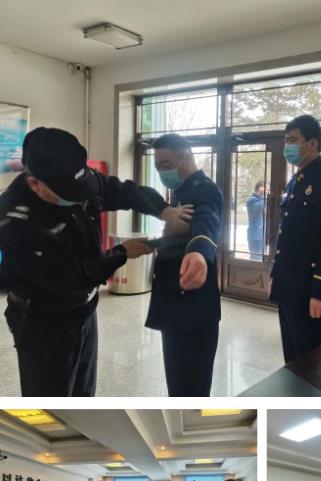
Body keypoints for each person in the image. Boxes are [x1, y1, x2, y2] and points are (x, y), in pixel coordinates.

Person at [0, 127, 189, 397]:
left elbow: (124, 191)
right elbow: (69, 279)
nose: (80, 197)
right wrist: (121, 253)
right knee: (52, 397)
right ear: (35, 184)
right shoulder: (17, 221)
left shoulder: (76, 180)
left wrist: (164, 210)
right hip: (44, 322)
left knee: (84, 392)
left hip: (84, 310)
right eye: (70, 195)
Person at [270, 114, 321, 363]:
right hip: (289, 287)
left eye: (293, 140)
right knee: (293, 359)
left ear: (313, 144)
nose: (287, 146)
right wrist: (276, 275)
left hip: (313, 289)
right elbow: (286, 235)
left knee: (316, 363)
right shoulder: (295, 182)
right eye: (286, 140)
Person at [146, 133, 224, 396]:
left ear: (187, 158)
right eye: (158, 166)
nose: (162, 172)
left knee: (192, 388)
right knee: (177, 383)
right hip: (174, 305)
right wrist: (153, 243)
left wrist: (199, 251)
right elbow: (178, 238)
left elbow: (207, 221)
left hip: (193, 308)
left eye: (166, 165)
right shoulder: (180, 191)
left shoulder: (205, 190)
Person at [246, 181, 266, 259]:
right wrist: (265, 196)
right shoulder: (251, 200)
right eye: (265, 188)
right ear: (260, 188)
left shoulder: (260, 200)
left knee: (260, 259)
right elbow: (260, 208)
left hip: (261, 236)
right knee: (256, 259)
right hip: (255, 237)